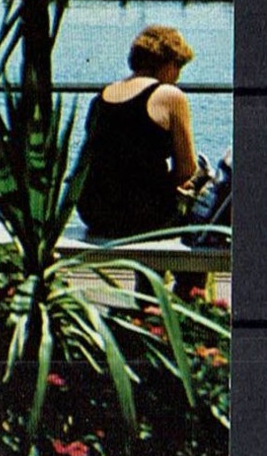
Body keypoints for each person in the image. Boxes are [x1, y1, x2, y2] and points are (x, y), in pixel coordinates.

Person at [74, 24, 206, 297]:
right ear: (169, 64)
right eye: (179, 68)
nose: (178, 77)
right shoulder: (170, 96)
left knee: (152, 206)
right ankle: (186, 306)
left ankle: (147, 299)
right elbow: (186, 170)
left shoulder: (102, 96)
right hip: (139, 215)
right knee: (200, 231)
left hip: (95, 210)